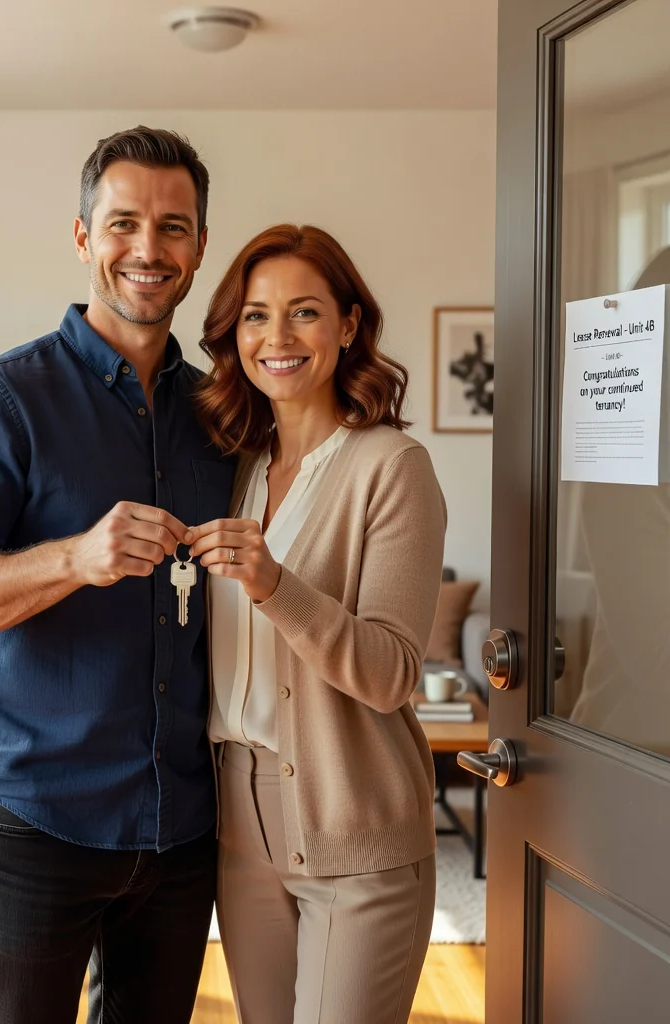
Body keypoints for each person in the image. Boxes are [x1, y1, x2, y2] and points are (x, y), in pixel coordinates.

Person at [0, 127, 235, 1024]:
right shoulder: (0, 399)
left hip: (183, 827)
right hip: (37, 818)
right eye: (124, 222)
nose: (148, 249)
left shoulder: (220, 416)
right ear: (85, 237)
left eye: (174, 227)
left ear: (200, 247)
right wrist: (75, 559)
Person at [188, 224, 446, 1024]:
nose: (278, 337)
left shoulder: (390, 467)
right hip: (236, 821)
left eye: (304, 312)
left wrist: (275, 584)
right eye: (256, 316)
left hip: (354, 820)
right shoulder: (234, 467)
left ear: (348, 325)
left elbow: (394, 672)